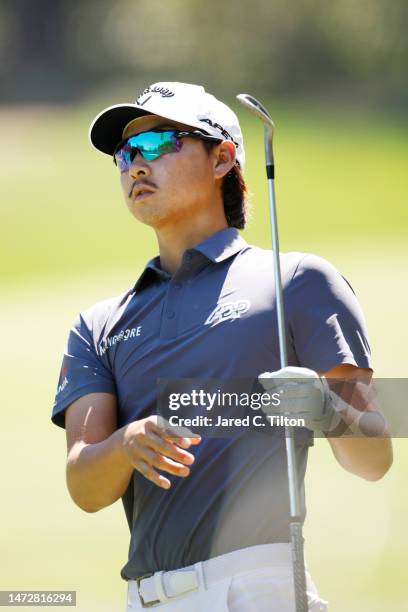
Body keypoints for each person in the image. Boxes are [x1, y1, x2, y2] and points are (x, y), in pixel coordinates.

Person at [51, 81, 392, 611]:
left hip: (258, 589)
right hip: (146, 600)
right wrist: (125, 444)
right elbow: (85, 486)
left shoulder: (299, 280)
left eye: (159, 144)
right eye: (124, 154)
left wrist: (326, 409)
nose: (135, 166)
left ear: (222, 158)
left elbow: (374, 458)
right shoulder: (98, 324)